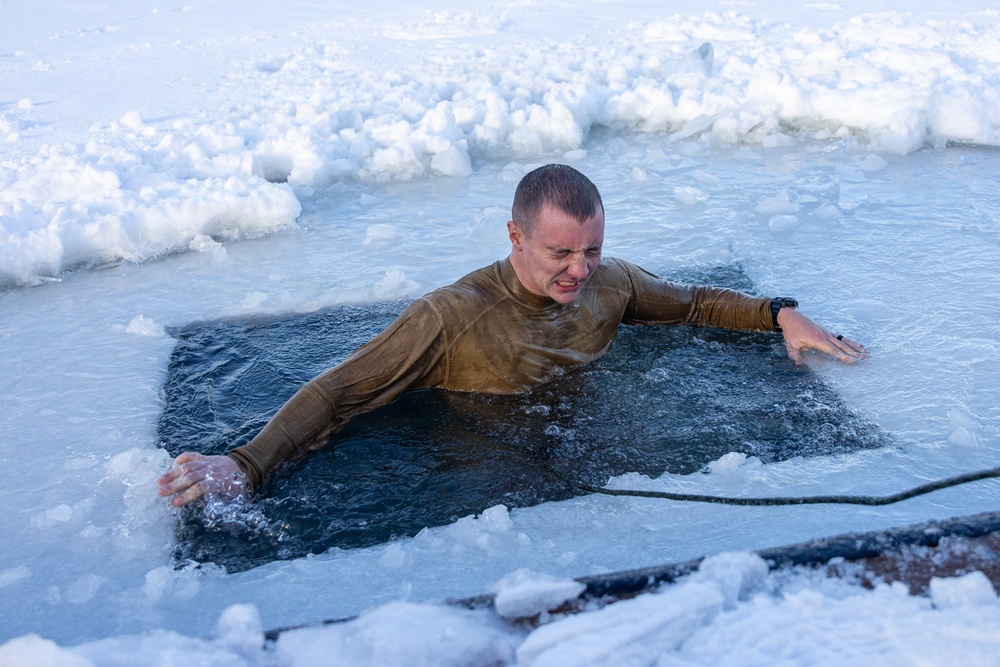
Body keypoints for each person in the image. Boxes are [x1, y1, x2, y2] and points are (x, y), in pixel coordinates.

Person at [158, 164, 867, 507]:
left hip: (583, 419)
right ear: (515, 236)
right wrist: (245, 464)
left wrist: (779, 313)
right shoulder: (449, 316)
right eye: (561, 253)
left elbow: (693, 303)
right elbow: (340, 390)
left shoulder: (611, 281)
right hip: (480, 443)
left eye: (591, 249)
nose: (580, 270)